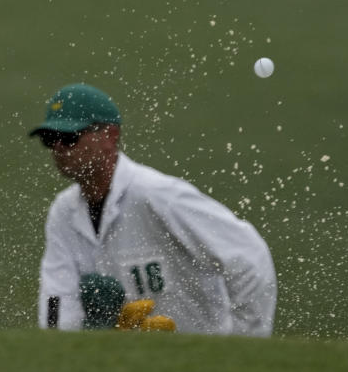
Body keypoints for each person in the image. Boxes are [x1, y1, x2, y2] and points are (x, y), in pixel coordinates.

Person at [30, 83, 276, 335]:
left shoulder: (159, 196)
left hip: (201, 363)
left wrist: (241, 345)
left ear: (110, 136)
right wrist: (74, 347)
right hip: (126, 367)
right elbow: (57, 299)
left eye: (70, 138)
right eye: (50, 139)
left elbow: (249, 258)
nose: (58, 148)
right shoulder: (63, 213)